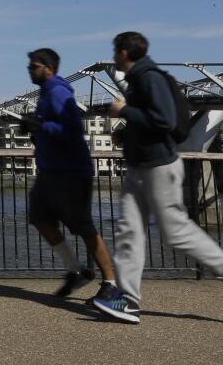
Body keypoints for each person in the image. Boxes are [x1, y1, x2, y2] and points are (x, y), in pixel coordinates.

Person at [94, 32, 223, 323]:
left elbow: (163, 120)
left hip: (159, 167)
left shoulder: (150, 77)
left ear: (125, 53)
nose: (114, 57)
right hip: (141, 167)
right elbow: (148, 122)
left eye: (116, 51)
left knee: (176, 232)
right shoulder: (141, 80)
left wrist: (124, 110)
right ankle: (128, 302)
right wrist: (124, 133)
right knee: (128, 231)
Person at [21, 48, 117, 299]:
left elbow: (72, 128)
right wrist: (34, 129)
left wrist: (41, 125)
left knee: (84, 226)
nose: (30, 70)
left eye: (33, 66)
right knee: (40, 219)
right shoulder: (45, 94)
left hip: (71, 172)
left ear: (48, 68)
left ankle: (110, 283)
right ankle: (76, 271)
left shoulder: (58, 91)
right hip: (50, 172)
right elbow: (51, 131)